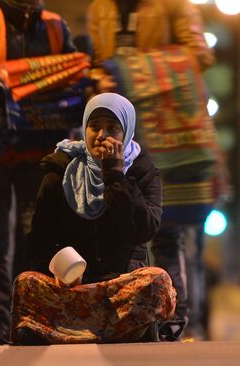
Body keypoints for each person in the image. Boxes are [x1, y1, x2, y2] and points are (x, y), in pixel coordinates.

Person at [87, 0, 216, 339]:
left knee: (169, 233)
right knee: (125, 227)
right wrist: (100, 74)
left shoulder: (175, 5)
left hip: (167, 132)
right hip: (123, 132)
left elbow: (199, 55)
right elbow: (101, 63)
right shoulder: (99, 8)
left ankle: (181, 318)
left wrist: (126, 70)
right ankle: (140, 317)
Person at [11, 93, 175, 345]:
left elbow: (144, 230)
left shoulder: (143, 172)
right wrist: (58, 269)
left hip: (120, 288)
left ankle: (66, 331)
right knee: (26, 283)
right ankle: (119, 330)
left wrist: (116, 177)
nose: (101, 135)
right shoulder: (60, 172)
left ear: (127, 131)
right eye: (94, 126)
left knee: (157, 281)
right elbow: (38, 241)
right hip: (72, 290)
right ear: (84, 127)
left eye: (112, 128)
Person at [0, 0, 77, 344]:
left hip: (40, 150)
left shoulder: (56, 25)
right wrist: (0, 93)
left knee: (37, 233)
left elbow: (72, 77)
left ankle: (33, 315)